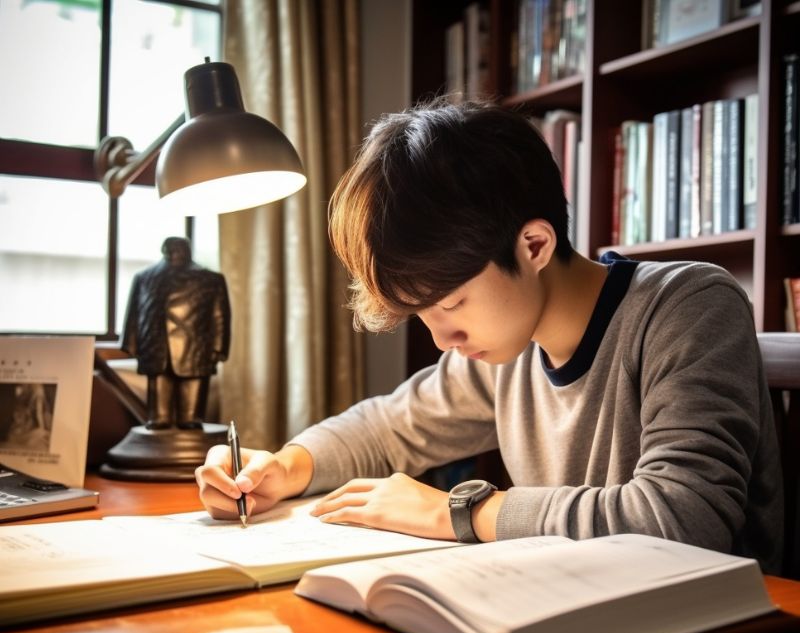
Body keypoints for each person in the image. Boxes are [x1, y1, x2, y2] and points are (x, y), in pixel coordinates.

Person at [195, 100, 782, 572]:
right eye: (423, 313)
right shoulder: (506, 345)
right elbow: (388, 427)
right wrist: (285, 467)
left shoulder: (689, 306)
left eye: (450, 302)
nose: (442, 337)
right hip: (570, 606)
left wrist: (460, 510)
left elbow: (684, 519)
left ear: (534, 246)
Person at [122, 236, 231, 430]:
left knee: (191, 419)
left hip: (196, 348)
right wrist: (130, 344)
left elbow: (220, 316)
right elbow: (133, 314)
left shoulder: (210, 278)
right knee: (158, 419)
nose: (175, 253)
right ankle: (159, 417)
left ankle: (190, 417)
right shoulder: (144, 277)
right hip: (155, 346)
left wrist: (219, 348)